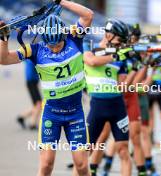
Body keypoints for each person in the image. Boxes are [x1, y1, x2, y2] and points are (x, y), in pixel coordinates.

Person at [0, 0, 94, 175]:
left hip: (75, 113)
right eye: (51, 45)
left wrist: (61, 1)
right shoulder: (35, 50)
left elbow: (88, 15)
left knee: (81, 165)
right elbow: (4, 60)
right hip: (52, 114)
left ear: (64, 36)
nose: (55, 48)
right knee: (46, 165)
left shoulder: (74, 38)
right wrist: (4, 40)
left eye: (58, 44)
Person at [83, 19, 134, 176]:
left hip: (117, 106)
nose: (120, 45)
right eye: (119, 40)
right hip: (97, 106)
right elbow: (91, 61)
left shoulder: (122, 57)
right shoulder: (88, 45)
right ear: (108, 34)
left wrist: (137, 68)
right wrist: (116, 56)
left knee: (124, 151)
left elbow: (122, 86)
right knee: (85, 153)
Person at [17, 59, 42, 130]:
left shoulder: (29, 57)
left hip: (32, 82)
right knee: (39, 104)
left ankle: (22, 117)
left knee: (38, 104)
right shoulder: (32, 59)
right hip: (31, 82)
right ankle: (32, 124)